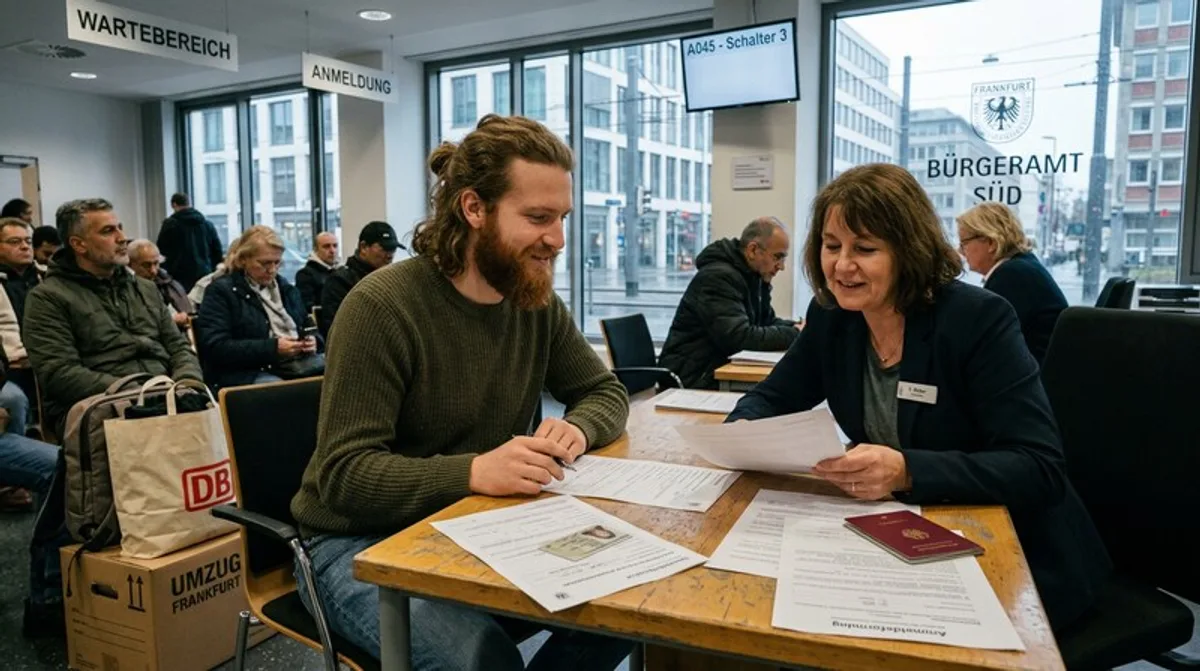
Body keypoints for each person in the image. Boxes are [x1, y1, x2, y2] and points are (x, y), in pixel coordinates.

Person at [290, 114, 631, 668]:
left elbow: (603, 391)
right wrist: (472, 472)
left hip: (473, 523)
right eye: (539, 218)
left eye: (563, 218)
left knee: (626, 606)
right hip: (354, 543)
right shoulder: (382, 306)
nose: (558, 240)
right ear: (474, 209)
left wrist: (579, 426)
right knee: (480, 659)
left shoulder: (534, 299)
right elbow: (345, 476)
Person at [726, 164, 1110, 633]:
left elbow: (1038, 466)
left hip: (1016, 558)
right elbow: (772, 396)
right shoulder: (832, 316)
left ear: (908, 251)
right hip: (902, 539)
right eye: (832, 246)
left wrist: (907, 470)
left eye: (864, 249)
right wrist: (742, 433)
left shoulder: (977, 319)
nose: (842, 265)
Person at [24, 198, 203, 436]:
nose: (122, 238)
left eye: (120, 228)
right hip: (103, 408)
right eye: (108, 231)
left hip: (168, 397)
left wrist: (185, 384)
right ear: (78, 245)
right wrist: (143, 395)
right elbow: (60, 374)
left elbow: (179, 347)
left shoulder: (145, 289)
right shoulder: (47, 298)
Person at [658, 217, 802, 389]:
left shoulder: (753, 277)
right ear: (753, 250)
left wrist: (797, 326)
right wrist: (795, 333)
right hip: (692, 376)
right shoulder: (718, 277)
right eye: (778, 257)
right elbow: (739, 337)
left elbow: (766, 321)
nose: (781, 266)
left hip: (713, 369)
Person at [193, 226, 318, 389]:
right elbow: (215, 347)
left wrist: (313, 341)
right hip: (244, 373)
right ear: (243, 259)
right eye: (264, 263)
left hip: (294, 365)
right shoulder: (221, 292)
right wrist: (272, 348)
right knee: (284, 392)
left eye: (277, 262)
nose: (272, 270)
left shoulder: (286, 289)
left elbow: (309, 326)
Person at [957, 202, 1068, 364]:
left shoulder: (1010, 276)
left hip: (1034, 377)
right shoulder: (1021, 265)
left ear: (991, 243)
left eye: (964, 243)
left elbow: (986, 340)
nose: (960, 251)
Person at [317, 221, 401, 337]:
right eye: (384, 249)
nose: (390, 255)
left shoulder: (393, 281)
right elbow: (338, 330)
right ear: (364, 247)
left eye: (393, 249)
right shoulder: (339, 282)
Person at [156, 192, 224, 291]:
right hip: (204, 274)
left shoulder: (170, 225)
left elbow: (161, 250)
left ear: (174, 205)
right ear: (189, 203)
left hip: (179, 276)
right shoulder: (207, 224)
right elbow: (217, 251)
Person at [127, 239, 193, 328]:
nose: (153, 271)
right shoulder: (124, 290)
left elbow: (188, 315)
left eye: (156, 263)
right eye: (146, 265)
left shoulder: (169, 284)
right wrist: (170, 321)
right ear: (130, 265)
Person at [295, 231, 340, 314]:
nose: (332, 250)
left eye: (335, 246)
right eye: (326, 246)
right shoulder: (305, 275)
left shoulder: (340, 271)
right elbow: (308, 308)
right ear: (316, 249)